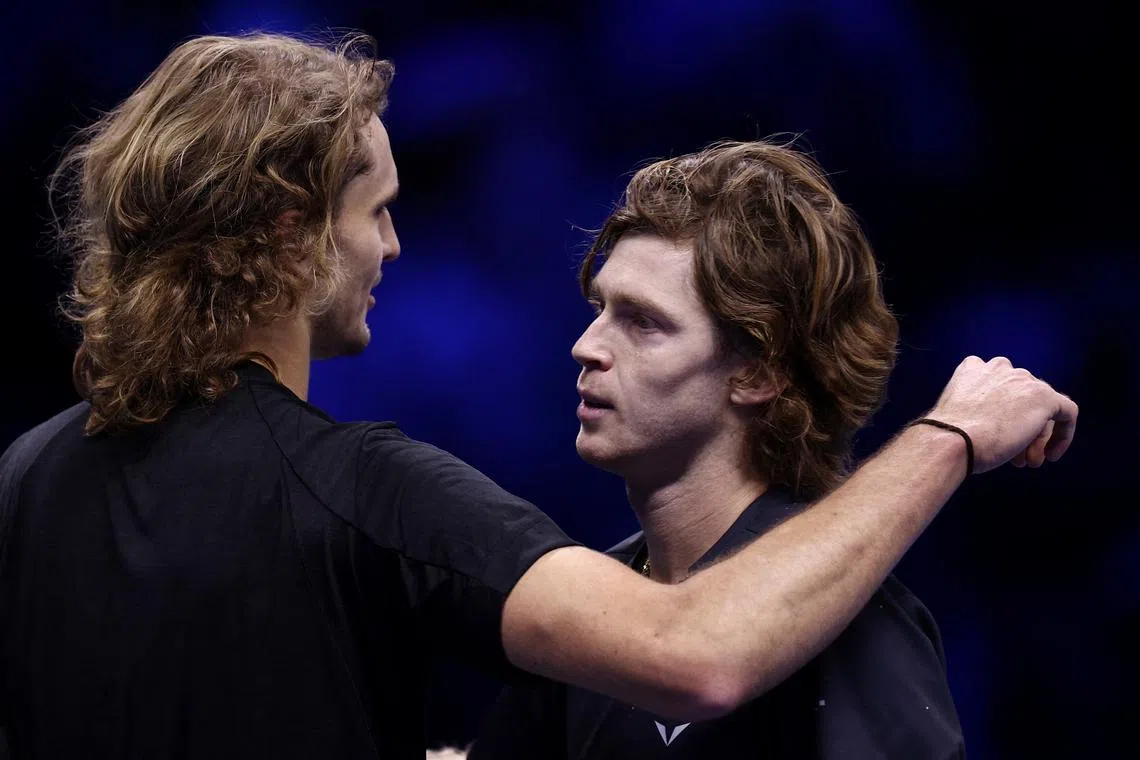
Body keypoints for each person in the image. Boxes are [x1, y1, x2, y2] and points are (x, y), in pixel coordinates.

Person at [0, 31, 1076, 759]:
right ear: (290, 234)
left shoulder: (26, 475)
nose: (392, 243)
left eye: (643, 319)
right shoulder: (366, 496)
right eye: (375, 209)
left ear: (757, 369)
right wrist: (950, 436)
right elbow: (693, 654)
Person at [470, 141, 986, 759]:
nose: (586, 345)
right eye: (600, 308)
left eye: (644, 322)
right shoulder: (595, 606)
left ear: (757, 374)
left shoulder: (851, 619)